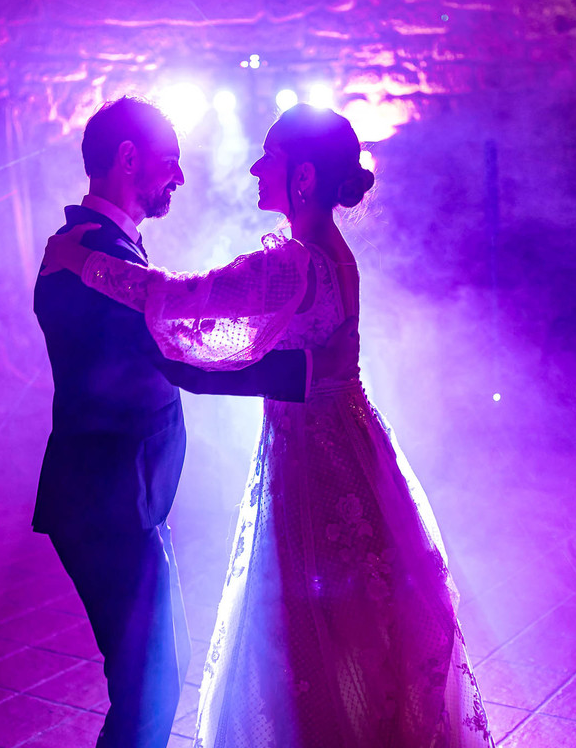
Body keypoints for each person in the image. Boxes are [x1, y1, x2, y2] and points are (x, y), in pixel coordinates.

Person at [42, 103, 493, 747]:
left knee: (312, 635)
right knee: (355, 632)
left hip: (310, 460)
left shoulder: (291, 262)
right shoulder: (331, 253)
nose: (254, 168)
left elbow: (186, 304)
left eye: (268, 158)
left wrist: (85, 263)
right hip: (346, 445)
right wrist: (307, 370)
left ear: (303, 177)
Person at [32, 97, 358, 748]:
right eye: (171, 161)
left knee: (159, 675)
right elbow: (177, 348)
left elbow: (175, 316)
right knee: (149, 686)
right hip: (106, 499)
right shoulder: (88, 250)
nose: (180, 177)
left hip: (128, 495)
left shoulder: (93, 250)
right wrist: (309, 375)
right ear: (129, 159)